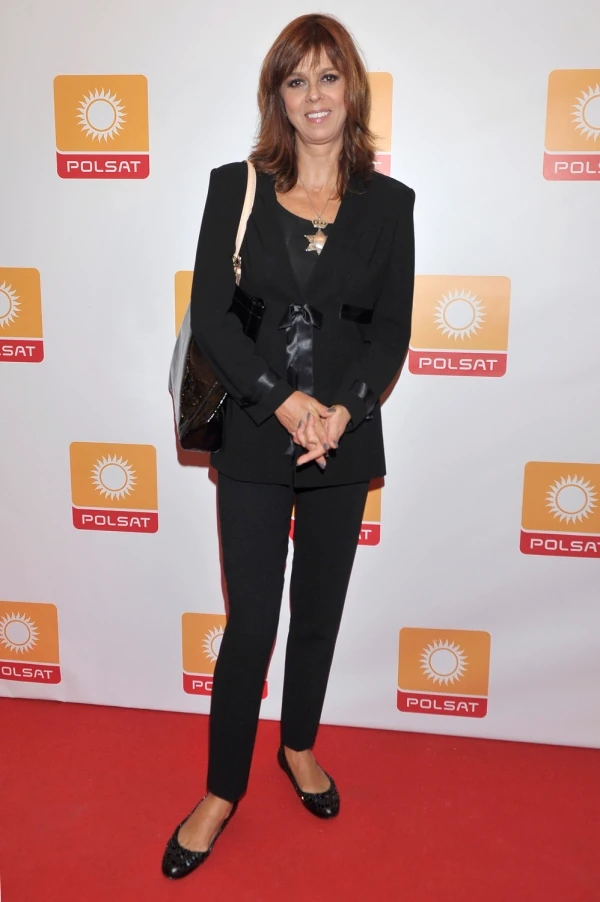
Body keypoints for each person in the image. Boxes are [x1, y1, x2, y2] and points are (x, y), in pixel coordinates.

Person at [162, 12, 415, 879]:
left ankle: (298, 745)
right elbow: (212, 317)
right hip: (257, 435)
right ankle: (221, 791)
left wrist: (342, 410)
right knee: (252, 623)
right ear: (278, 95)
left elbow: (390, 332)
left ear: (352, 90)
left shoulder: (390, 205)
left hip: (342, 440)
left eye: (328, 76)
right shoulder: (233, 187)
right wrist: (283, 401)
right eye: (296, 79)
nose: (314, 95)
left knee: (318, 614)